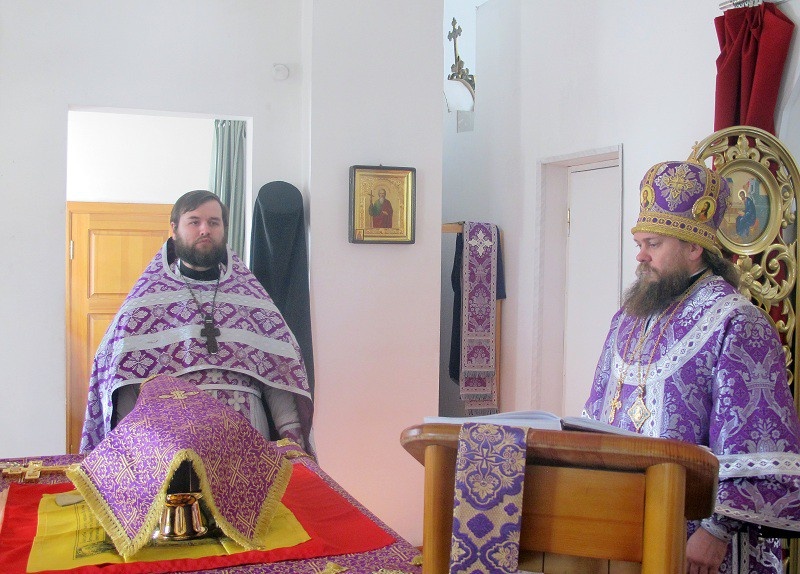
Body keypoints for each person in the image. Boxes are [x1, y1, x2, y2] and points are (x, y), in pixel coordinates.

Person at [584, 161, 800, 573]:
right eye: (639, 243)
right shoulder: (628, 319)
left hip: (696, 544)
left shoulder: (736, 321)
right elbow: (594, 415)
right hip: (622, 527)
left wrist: (716, 531)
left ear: (693, 248)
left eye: (653, 243)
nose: (640, 255)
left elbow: (756, 441)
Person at [80, 190, 314, 456]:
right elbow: (125, 381)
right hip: (173, 445)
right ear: (174, 229)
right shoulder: (145, 302)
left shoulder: (252, 299)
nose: (205, 230)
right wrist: (126, 452)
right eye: (194, 222)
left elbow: (278, 376)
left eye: (214, 222)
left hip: (247, 440)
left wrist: (293, 443)